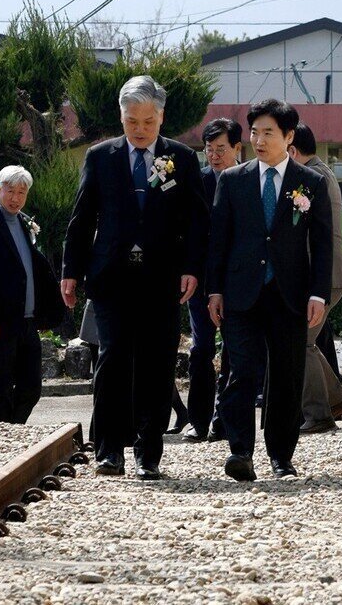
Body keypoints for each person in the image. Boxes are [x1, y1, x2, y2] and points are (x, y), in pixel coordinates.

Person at [62, 75, 209, 480]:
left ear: (161, 117)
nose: (140, 130)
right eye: (132, 122)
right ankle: (109, 451)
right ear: (121, 117)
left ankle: (150, 454)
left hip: (163, 278)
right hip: (110, 276)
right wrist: (70, 272)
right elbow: (81, 218)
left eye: (148, 121)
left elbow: (197, 221)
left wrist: (193, 267)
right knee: (111, 360)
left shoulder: (181, 158)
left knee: (157, 364)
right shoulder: (100, 156)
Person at [207, 99, 332, 481]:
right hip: (241, 293)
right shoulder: (233, 180)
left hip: (290, 294)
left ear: (288, 136)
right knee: (241, 372)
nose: (259, 141)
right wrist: (214, 290)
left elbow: (323, 243)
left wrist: (318, 294)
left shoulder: (310, 182)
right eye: (255, 132)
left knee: (286, 376)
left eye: (269, 133)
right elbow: (219, 240)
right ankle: (240, 451)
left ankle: (281, 457)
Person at [0, 165, 63, 423]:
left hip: (27, 321)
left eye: (22, 192)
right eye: (10, 191)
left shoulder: (24, 223)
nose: (16, 198)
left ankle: (13, 427)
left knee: (32, 387)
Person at [287, 124, 342, 432]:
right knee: (305, 343)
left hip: (324, 276)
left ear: (292, 150)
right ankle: (336, 400)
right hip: (327, 274)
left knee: (300, 344)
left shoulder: (311, 179)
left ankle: (320, 414)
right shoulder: (322, 172)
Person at [182, 117, 242, 443]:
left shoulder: (248, 180)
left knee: (233, 350)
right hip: (201, 281)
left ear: (237, 148)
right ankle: (198, 421)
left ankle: (224, 422)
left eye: (221, 149)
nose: (214, 155)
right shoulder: (198, 181)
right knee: (201, 349)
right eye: (209, 149)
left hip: (236, 280)